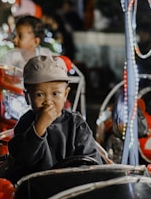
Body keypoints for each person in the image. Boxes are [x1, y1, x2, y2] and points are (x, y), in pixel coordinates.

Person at [7, 55, 103, 183]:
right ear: (27, 97)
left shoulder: (76, 125)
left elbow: (91, 161)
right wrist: (39, 127)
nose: (48, 101)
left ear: (65, 94)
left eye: (55, 93)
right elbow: (23, 159)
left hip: (71, 190)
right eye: (39, 94)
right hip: (37, 191)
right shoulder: (25, 123)